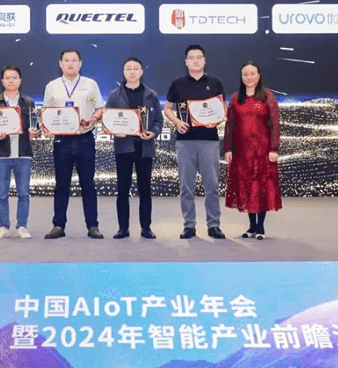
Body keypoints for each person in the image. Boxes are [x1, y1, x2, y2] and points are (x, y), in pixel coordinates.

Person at [163, 45, 226, 239]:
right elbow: (167, 109)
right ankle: (189, 225)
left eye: (199, 57)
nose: (196, 60)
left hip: (209, 141)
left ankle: (213, 225)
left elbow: (222, 109)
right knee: (186, 187)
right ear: (186, 62)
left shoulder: (215, 83)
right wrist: (177, 122)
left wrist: (216, 120)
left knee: (212, 186)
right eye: (191, 58)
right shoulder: (177, 83)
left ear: (204, 60)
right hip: (185, 141)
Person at [42, 49, 106, 239]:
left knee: (88, 184)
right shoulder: (52, 86)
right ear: (60, 63)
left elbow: (100, 108)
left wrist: (93, 119)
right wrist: (47, 127)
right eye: (66, 60)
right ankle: (58, 225)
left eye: (74, 60)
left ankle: (93, 226)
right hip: (62, 141)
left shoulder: (90, 84)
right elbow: (46, 112)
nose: (70, 64)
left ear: (80, 63)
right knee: (61, 184)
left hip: (85, 138)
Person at [104, 57, 164, 239]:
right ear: (124, 72)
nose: (132, 72)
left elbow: (159, 120)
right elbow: (108, 119)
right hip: (124, 147)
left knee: (145, 189)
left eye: (135, 68)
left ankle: (146, 228)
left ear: (141, 71)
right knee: (123, 188)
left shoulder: (151, 95)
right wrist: (115, 131)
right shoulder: (114, 95)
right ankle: (123, 228)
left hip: (145, 147)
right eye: (128, 69)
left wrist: (153, 133)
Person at [223, 62, 282, 239]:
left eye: (252, 73)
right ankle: (251, 226)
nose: (249, 77)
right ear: (242, 77)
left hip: (263, 151)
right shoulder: (236, 98)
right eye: (245, 74)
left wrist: (273, 148)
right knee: (246, 187)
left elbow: (275, 123)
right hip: (242, 152)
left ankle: (260, 227)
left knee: (261, 187)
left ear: (258, 76)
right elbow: (229, 126)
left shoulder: (267, 96)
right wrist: (228, 148)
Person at [0, 65, 38, 239]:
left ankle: (22, 226)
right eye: (7, 78)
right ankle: (3, 226)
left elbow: (35, 125)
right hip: (2, 154)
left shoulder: (28, 102)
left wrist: (34, 132)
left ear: (20, 81)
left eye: (14, 78)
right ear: (2, 81)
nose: (11, 81)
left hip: (23, 153)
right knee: (2, 194)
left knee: (24, 193)